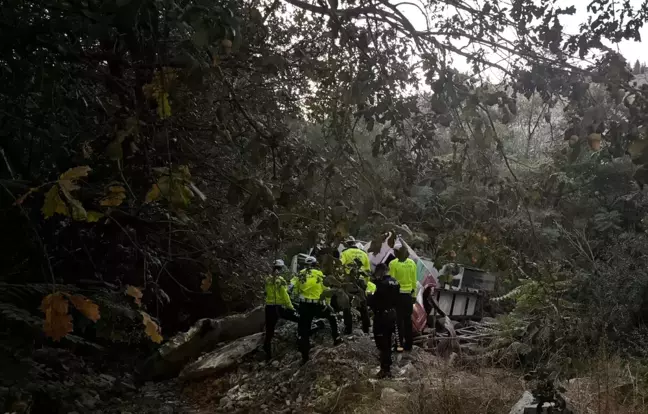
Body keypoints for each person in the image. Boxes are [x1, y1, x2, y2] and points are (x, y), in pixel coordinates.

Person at [293, 256, 341, 364]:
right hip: (317, 305)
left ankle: (304, 356)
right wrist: (328, 304)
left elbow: (294, 289)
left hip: (304, 306)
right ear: (315, 264)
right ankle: (336, 338)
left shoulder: (300, 274)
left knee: (303, 330)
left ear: (305, 265)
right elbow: (327, 290)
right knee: (332, 316)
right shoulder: (319, 274)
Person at [367, 263, 400, 378]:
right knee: (388, 342)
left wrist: (368, 296)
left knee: (382, 343)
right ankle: (387, 367)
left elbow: (372, 301)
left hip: (382, 317)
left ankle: (385, 369)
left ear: (380, 271)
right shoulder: (395, 282)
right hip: (392, 314)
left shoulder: (380, 285)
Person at [264, 259, 299, 361]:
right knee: (297, 318)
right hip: (277, 307)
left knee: (269, 330)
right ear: (281, 268)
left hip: (268, 307)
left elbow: (266, 291)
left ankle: (267, 353)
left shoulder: (267, 279)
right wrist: (291, 307)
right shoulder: (280, 280)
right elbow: (285, 296)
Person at [339, 237, 372, 334]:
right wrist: (365, 284)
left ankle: (348, 329)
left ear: (347, 244)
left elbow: (340, 266)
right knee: (363, 305)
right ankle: (366, 328)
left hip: (349, 281)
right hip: (361, 282)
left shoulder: (345, 253)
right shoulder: (364, 254)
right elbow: (368, 271)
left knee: (346, 305)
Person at [388, 244, 417, 351]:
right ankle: (409, 345)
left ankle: (398, 346)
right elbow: (414, 281)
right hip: (409, 296)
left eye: (395, 251)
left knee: (398, 322)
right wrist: (414, 296)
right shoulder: (412, 263)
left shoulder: (393, 263)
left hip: (398, 296)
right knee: (408, 321)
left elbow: (392, 282)